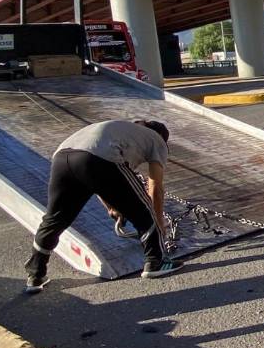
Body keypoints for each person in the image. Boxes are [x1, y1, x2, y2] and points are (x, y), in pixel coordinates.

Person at [25, 119, 184, 292]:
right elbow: (155, 187)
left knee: (54, 219)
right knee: (145, 209)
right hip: (98, 158)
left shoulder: (123, 131)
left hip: (62, 159)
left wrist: (112, 207)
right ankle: (156, 262)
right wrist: (159, 220)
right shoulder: (157, 139)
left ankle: (36, 274)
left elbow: (98, 183)